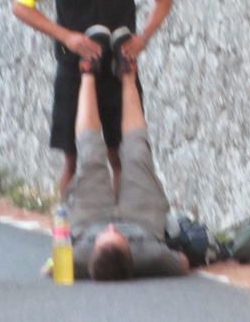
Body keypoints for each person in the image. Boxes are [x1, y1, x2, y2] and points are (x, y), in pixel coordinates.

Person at [12, 0, 173, 195]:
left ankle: (118, 232)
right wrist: (66, 36)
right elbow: (21, 3)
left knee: (121, 156)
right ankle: (67, 231)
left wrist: (143, 38)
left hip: (119, 70)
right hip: (75, 69)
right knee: (74, 159)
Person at [67, 30, 189, 280]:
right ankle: (127, 73)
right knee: (138, 155)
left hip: (89, 222)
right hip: (142, 223)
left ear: (92, 252)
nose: (112, 227)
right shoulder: (152, 257)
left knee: (90, 156)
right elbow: (183, 263)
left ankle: (89, 72)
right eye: (119, 236)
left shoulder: (77, 261)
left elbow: (49, 268)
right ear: (131, 254)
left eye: (106, 235)